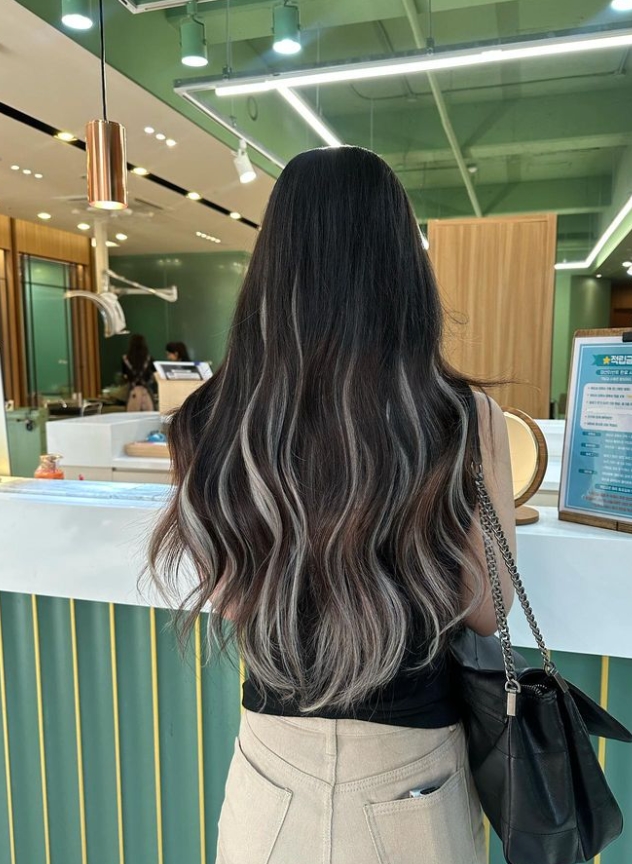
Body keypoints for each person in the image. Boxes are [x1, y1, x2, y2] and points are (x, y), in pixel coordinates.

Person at [149, 146, 516, 864]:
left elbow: (231, 599)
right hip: (413, 777)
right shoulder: (460, 416)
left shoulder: (208, 419)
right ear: (402, 268)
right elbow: (487, 606)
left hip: (270, 772)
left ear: (272, 264)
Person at [122, 333, 154, 411]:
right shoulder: (149, 358)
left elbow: (125, 375)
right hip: (146, 391)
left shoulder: (125, 359)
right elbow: (154, 374)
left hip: (132, 391)